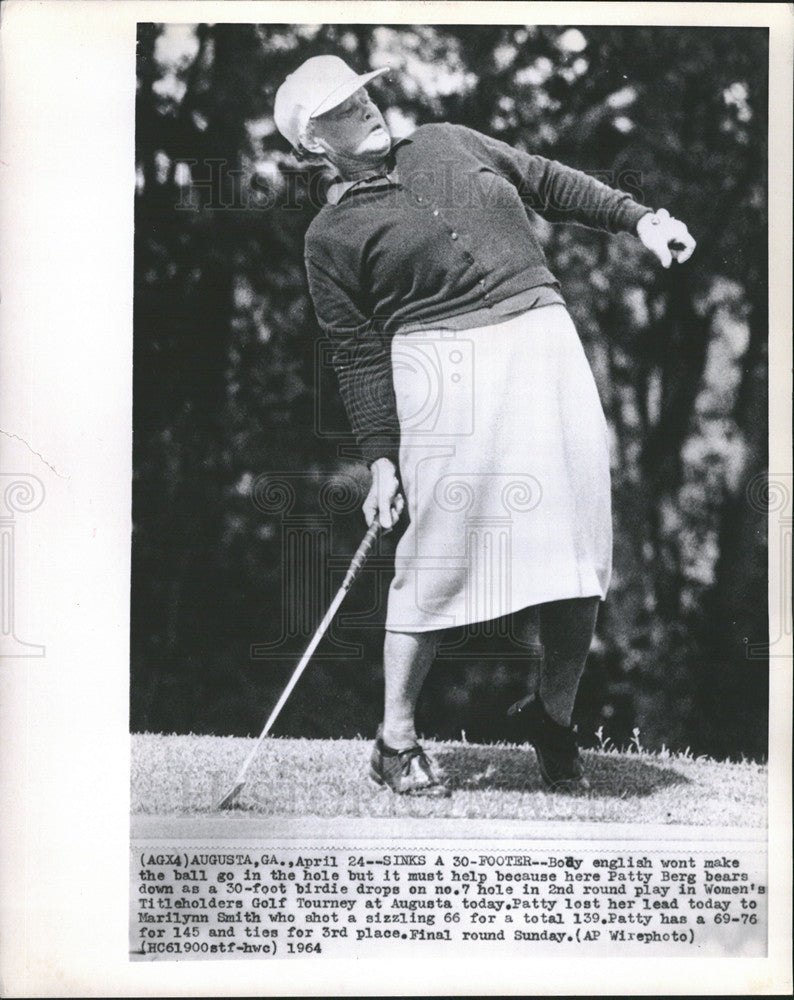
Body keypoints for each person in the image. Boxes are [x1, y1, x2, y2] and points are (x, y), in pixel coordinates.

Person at [274, 55, 696, 796]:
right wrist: (380, 460)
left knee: (577, 544)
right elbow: (356, 354)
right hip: (442, 371)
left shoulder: (447, 140)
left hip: (544, 341)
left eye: (364, 96)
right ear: (315, 143)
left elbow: (549, 181)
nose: (367, 110)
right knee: (439, 551)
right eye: (342, 110)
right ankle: (394, 739)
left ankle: (552, 719)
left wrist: (641, 220)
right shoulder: (329, 237)